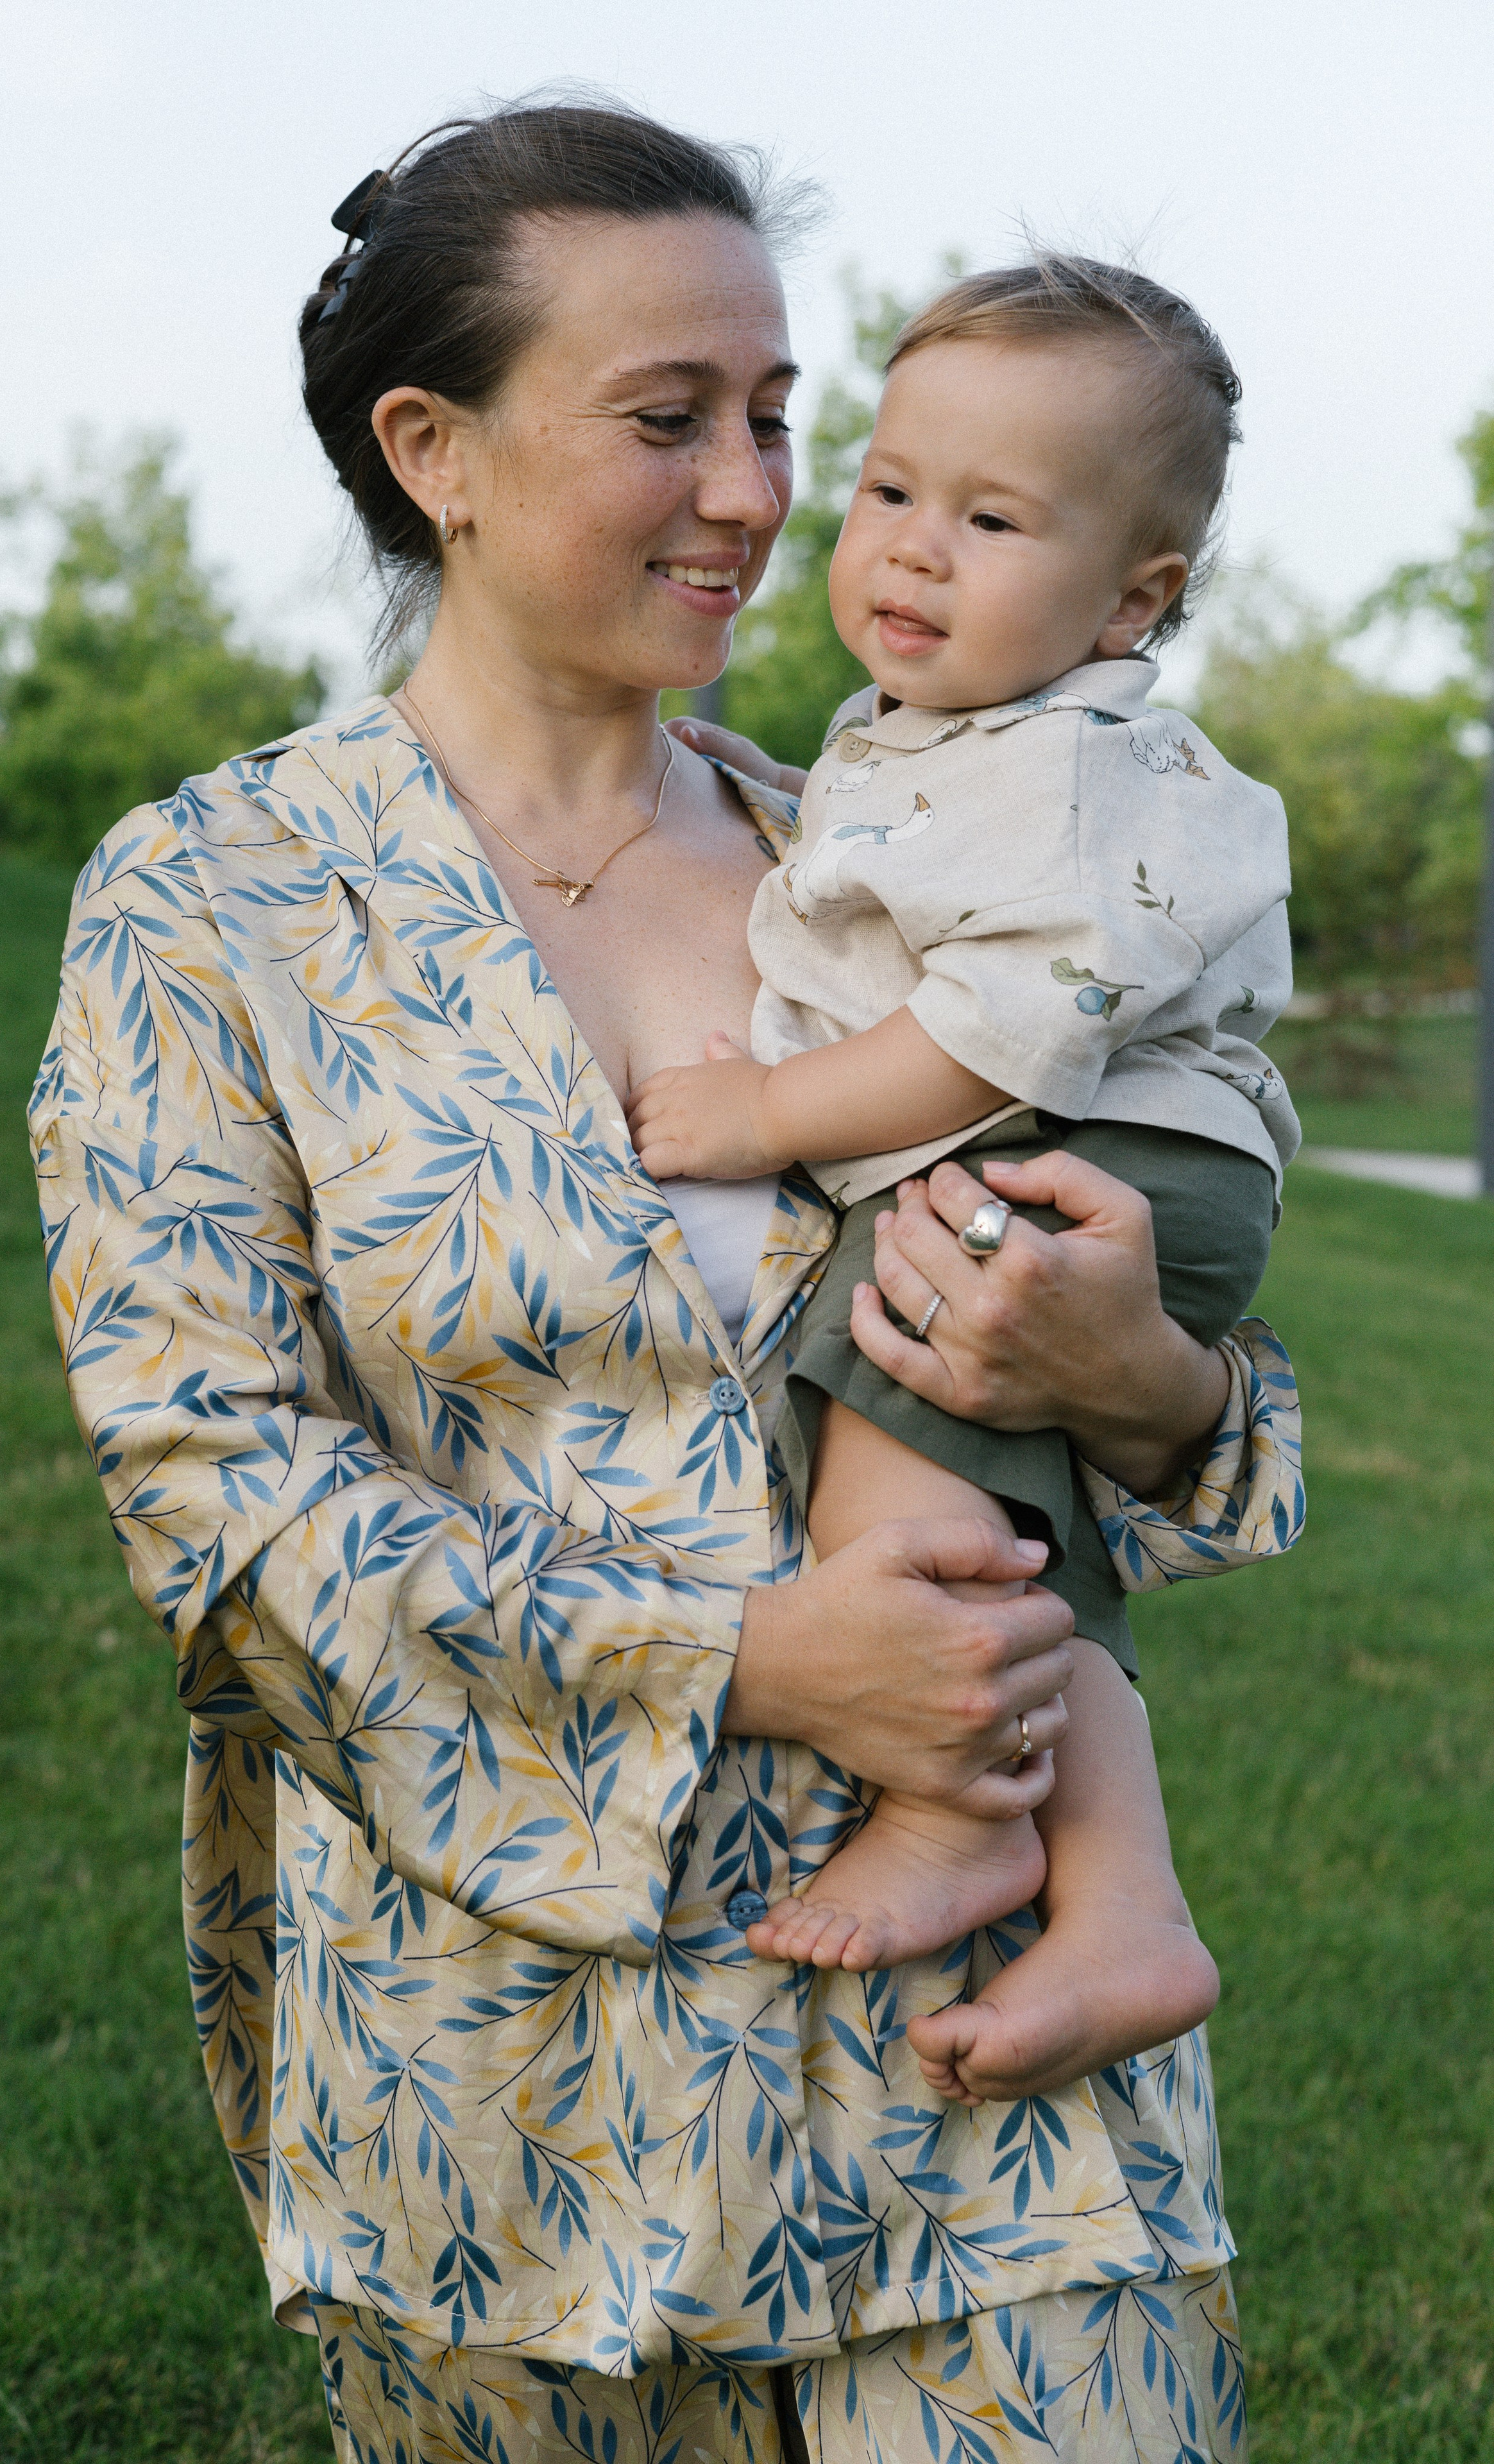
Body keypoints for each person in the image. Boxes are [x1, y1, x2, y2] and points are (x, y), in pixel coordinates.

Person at [31, 101, 1298, 2463]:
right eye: (668, 419)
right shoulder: (217, 904)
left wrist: (1149, 1377)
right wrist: (754, 1657)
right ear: (439, 452)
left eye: (778, 418)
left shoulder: (913, 852)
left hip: (998, 2062)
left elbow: (1189, 1372)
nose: (755, 491)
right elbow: (213, 1495)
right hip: (516, 2103)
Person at [629, 258, 1298, 2104]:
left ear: (1129, 600)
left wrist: (768, 1117)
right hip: (1073, 1144)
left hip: (1101, 1149)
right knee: (1021, 1518)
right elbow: (890, 893)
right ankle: (1127, 1900)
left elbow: (1003, 1029)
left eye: (991, 519)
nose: (911, 551)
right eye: (890, 492)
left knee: (895, 1459)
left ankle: (959, 1810)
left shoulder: (1077, 773)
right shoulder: (943, 739)